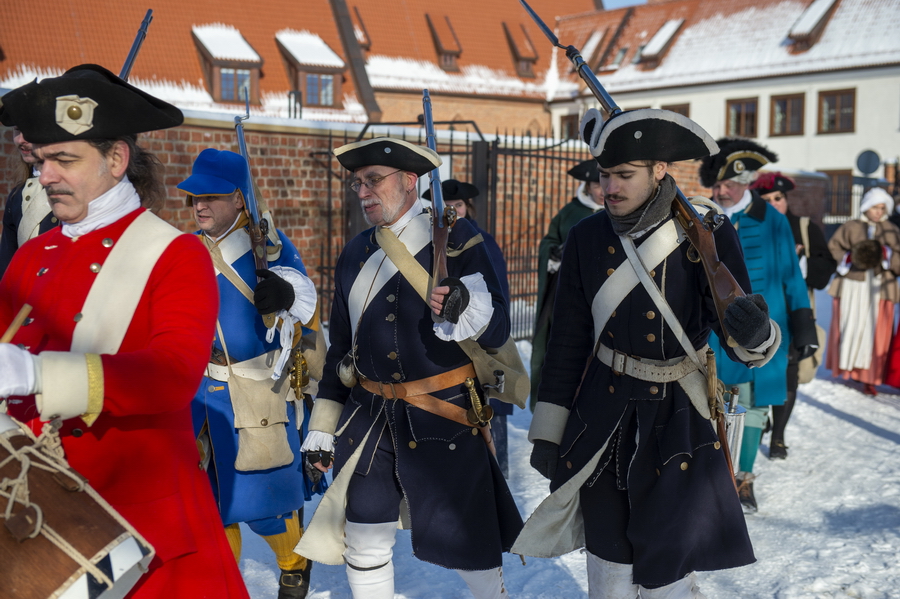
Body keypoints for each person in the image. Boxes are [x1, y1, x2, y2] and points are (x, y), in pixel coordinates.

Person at [0, 65, 249, 597]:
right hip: (38, 509)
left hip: (142, 525)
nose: (45, 177)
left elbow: (174, 375)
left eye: (65, 160)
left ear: (116, 159)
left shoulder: (173, 254)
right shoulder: (29, 256)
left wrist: (39, 375)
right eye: (42, 160)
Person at [516, 108, 779, 598]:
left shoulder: (709, 231)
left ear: (660, 171)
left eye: (624, 175)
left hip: (679, 416)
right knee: (609, 572)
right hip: (604, 420)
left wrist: (756, 330)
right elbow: (567, 340)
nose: (608, 188)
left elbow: (743, 342)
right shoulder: (586, 237)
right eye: (604, 175)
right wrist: (550, 431)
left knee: (668, 578)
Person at [296, 137, 523, 599]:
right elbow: (342, 343)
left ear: (409, 181)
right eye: (358, 183)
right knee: (363, 542)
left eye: (374, 181)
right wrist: (323, 424)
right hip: (368, 416)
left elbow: (498, 330)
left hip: (445, 413)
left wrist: (466, 306)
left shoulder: (459, 239)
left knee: (470, 547)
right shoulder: (356, 252)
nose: (362, 192)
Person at [178, 148, 324, 599]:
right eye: (193, 197)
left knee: (265, 506)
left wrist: (283, 293)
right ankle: (224, 585)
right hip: (201, 395)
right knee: (212, 505)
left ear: (240, 200)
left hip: (257, 392)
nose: (199, 205)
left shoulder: (272, 247)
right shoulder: (188, 250)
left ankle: (294, 563)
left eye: (212, 196)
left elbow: (307, 310)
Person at [700, 138, 817, 512]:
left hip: (764, 332)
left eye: (728, 185)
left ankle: (743, 478)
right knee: (710, 402)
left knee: (753, 406)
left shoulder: (774, 221)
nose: (720, 191)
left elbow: (792, 279)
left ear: (746, 182)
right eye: (716, 185)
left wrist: (804, 329)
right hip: (714, 334)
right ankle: (713, 477)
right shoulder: (701, 218)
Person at [422, 178, 514, 477]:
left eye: (457, 206)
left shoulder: (481, 241)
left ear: (467, 207)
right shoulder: (424, 242)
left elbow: (498, 302)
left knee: (491, 458)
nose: (451, 212)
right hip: (437, 364)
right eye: (444, 207)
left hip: (481, 350)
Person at [749, 172, 836, 458]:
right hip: (760, 314)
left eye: (779, 198)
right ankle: (760, 421)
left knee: (788, 374)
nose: (775, 204)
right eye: (767, 199)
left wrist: (799, 261)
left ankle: (778, 436)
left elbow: (824, 273)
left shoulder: (804, 227)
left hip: (794, 315)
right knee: (756, 371)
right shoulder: (750, 226)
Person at [530, 159, 604, 410]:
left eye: (604, 183)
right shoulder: (570, 213)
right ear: (587, 185)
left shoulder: (622, 213)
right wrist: (554, 253)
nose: (602, 191)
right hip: (569, 293)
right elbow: (548, 243)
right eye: (596, 185)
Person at [826, 187, 900, 395]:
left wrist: (887, 255)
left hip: (880, 287)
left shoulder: (891, 230)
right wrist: (848, 258)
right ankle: (847, 368)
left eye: (882, 207)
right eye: (875, 207)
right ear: (866, 206)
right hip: (852, 285)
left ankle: (871, 376)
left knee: (875, 331)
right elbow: (834, 247)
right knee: (850, 326)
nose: (878, 211)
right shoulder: (851, 226)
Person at [0, 126, 56, 276]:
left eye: (28, 129)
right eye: (17, 131)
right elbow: (6, 269)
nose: (20, 140)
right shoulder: (16, 196)